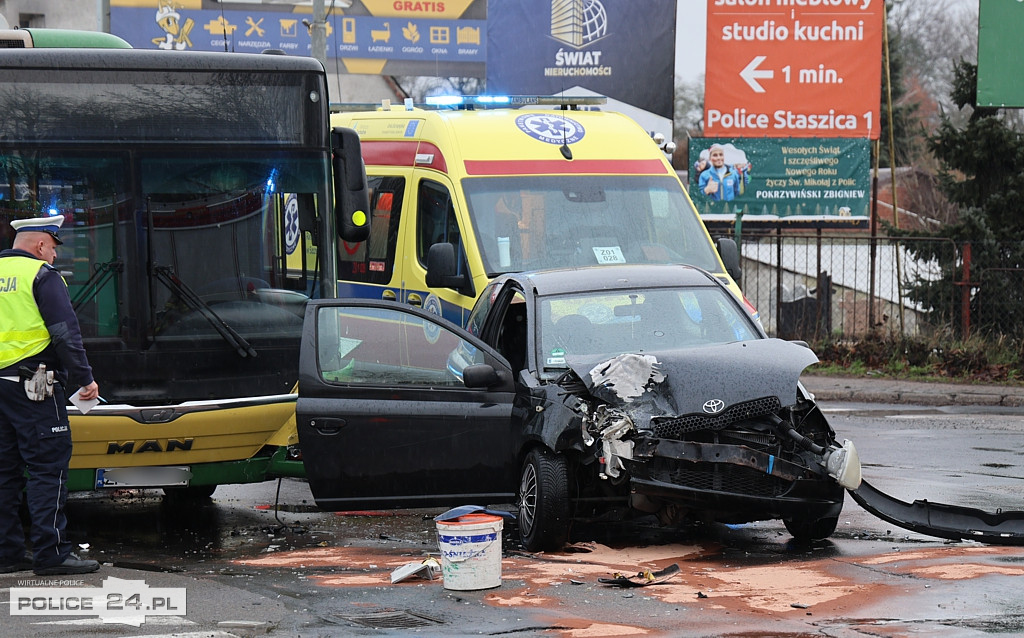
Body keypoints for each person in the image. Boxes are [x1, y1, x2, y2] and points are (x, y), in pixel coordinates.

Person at [0, 214, 101, 575]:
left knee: (4, 472)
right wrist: (84, 380)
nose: (55, 256)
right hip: (34, 389)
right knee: (47, 468)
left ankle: (7, 552)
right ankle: (52, 553)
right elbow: (65, 334)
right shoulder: (42, 276)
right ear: (41, 244)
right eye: (54, 248)